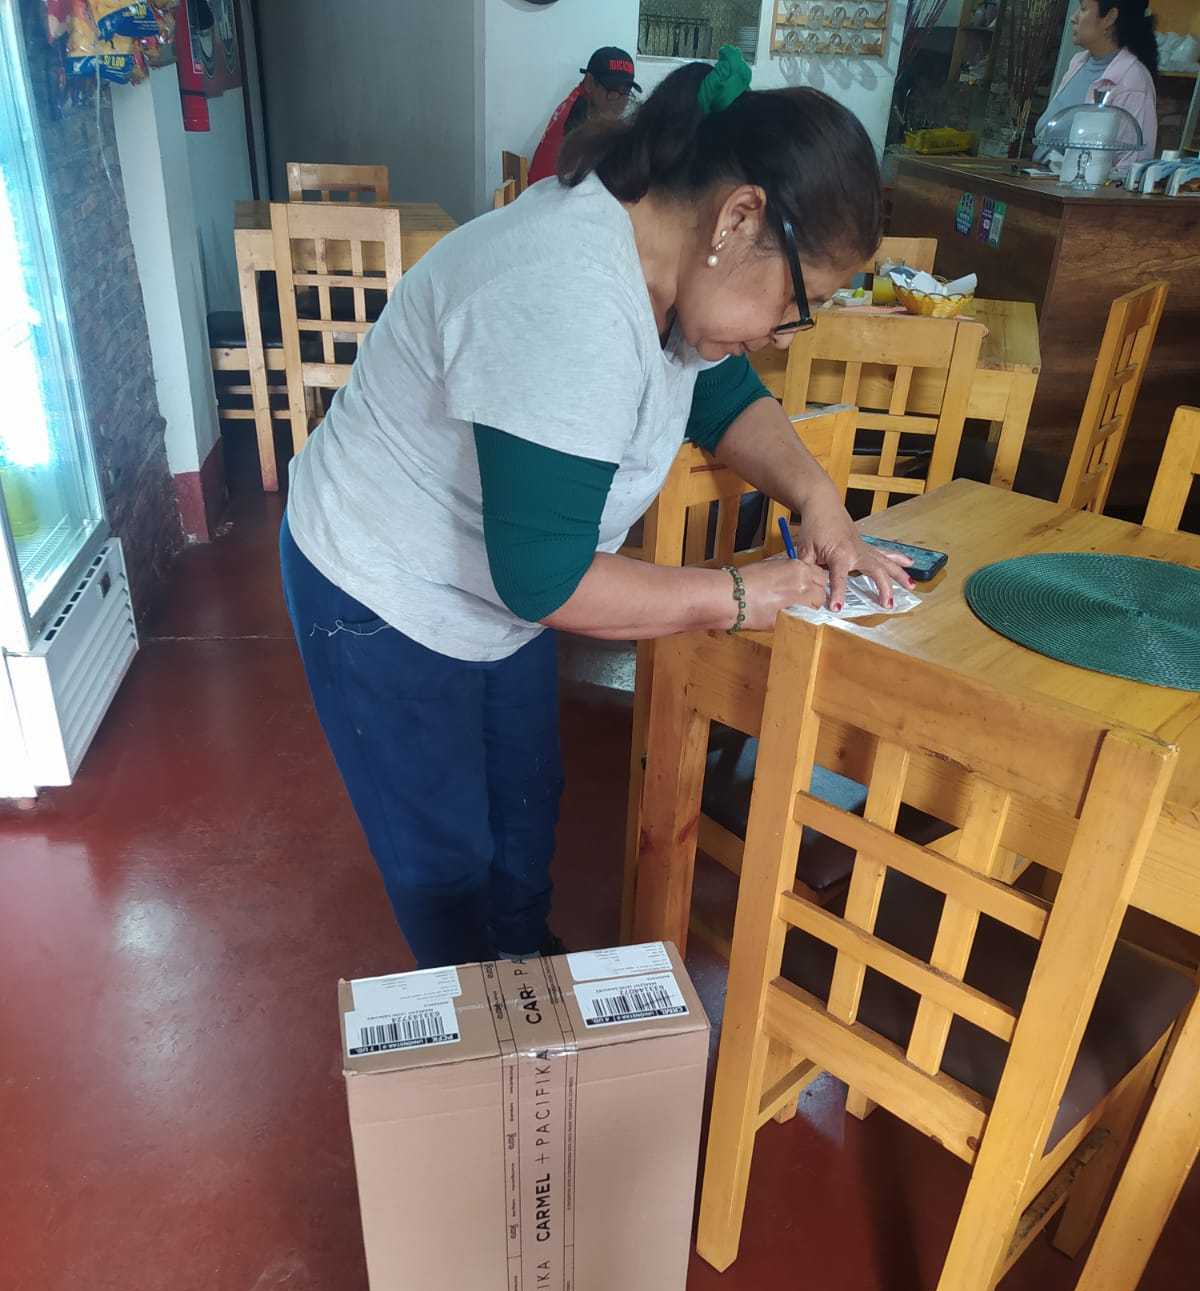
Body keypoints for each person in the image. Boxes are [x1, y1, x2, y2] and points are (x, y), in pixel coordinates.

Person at [279, 47, 910, 970]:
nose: (780, 338)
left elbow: (721, 394)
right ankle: (480, 1014)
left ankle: (522, 974)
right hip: (383, 587)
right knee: (446, 859)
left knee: (525, 809)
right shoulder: (568, 293)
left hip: (495, 587)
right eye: (796, 304)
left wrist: (820, 499)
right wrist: (742, 595)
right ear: (739, 217)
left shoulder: (669, 262)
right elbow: (546, 580)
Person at [1033, 0, 1158, 169]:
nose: (1073, 18)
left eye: (1083, 9)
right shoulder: (1078, 63)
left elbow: (1131, 165)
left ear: (1109, 18)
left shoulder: (1133, 81)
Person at [528, 47, 642, 185]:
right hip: (552, 194)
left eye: (626, 92)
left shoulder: (579, 101)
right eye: (612, 91)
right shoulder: (577, 119)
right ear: (589, 82)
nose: (620, 103)